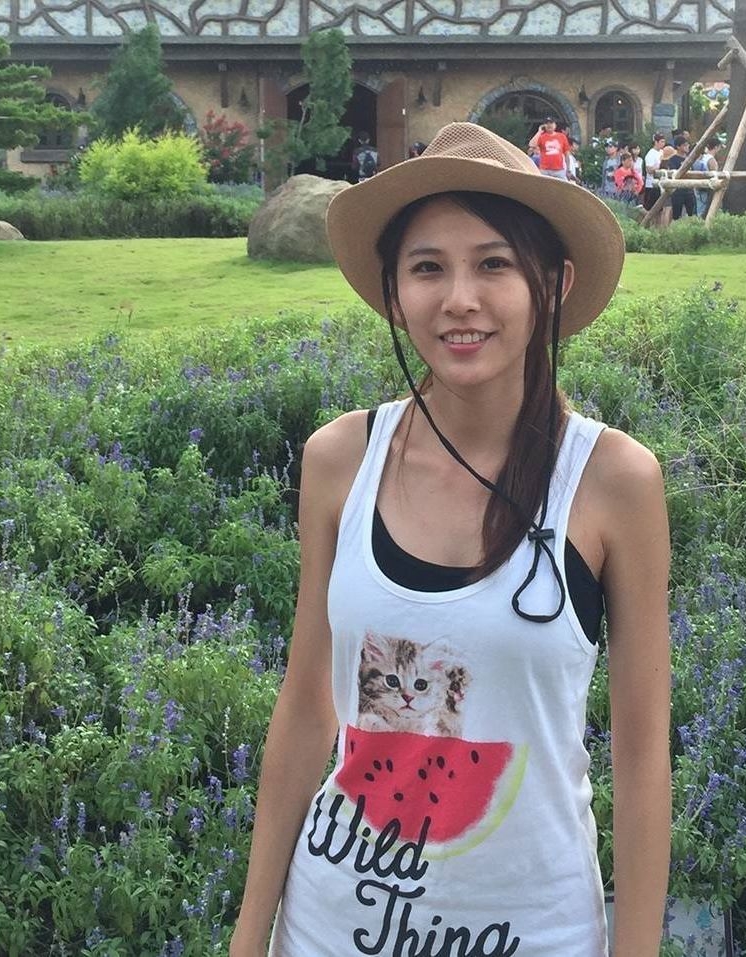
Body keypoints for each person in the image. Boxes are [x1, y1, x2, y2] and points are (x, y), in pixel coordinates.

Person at [229, 122, 671, 957]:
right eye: (427, 267)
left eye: (493, 264)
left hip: (535, 933)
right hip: (331, 926)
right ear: (394, 293)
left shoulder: (612, 481)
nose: (459, 299)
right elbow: (306, 705)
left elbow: (643, 756)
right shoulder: (339, 460)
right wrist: (250, 935)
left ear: (554, 282)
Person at [528, 116, 571, 180]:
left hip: (559, 170)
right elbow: (531, 145)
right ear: (544, 125)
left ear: (555, 125)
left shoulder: (562, 137)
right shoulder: (541, 137)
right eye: (547, 123)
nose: (549, 125)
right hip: (544, 170)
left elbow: (567, 154)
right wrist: (539, 132)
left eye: (551, 123)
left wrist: (568, 169)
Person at [692, 136, 722, 218]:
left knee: (700, 210)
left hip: (698, 187)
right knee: (710, 211)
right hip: (708, 189)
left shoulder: (701, 158)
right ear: (716, 147)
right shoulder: (711, 160)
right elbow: (714, 175)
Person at [667, 136, 695, 220]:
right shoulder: (673, 159)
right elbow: (673, 174)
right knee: (676, 215)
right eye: (684, 145)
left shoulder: (689, 159)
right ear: (678, 147)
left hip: (689, 190)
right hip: (678, 191)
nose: (687, 147)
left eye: (688, 145)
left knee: (692, 214)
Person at [643, 132, 666, 210]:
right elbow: (649, 170)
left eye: (664, 142)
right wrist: (660, 164)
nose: (663, 144)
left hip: (661, 184)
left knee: (660, 209)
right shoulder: (650, 154)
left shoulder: (662, 152)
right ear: (656, 142)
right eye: (661, 142)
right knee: (650, 208)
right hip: (651, 185)